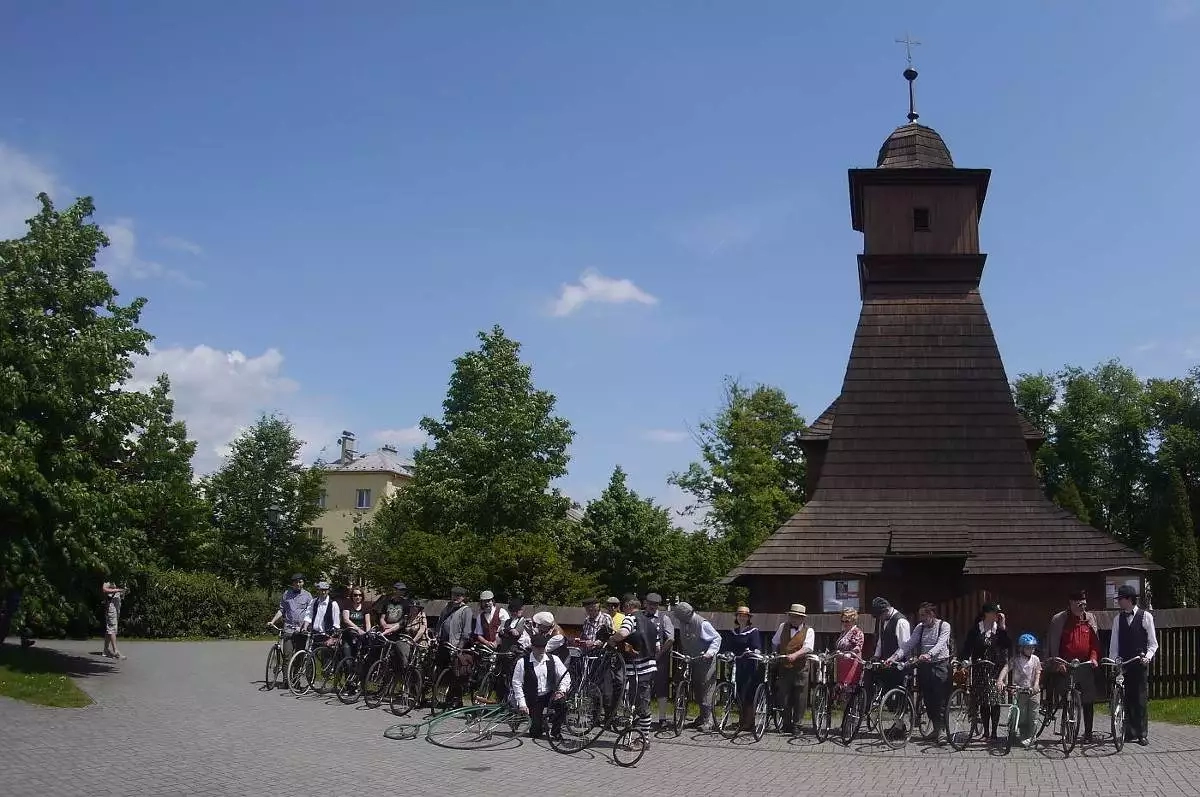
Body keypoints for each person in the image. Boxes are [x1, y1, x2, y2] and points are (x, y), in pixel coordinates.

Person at [887, 602, 952, 743]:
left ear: (932, 614)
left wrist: (929, 654)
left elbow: (941, 643)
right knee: (928, 700)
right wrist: (894, 656)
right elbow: (909, 643)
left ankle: (941, 732)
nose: (921, 618)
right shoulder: (920, 628)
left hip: (940, 665)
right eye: (920, 615)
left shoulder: (944, 626)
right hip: (925, 667)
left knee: (939, 699)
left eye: (924, 615)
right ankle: (935, 730)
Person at [1047, 589, 1101, 743]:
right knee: (1067, 698)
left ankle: (1088, 733)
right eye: (1078, 604)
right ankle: (1068, 732)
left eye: (1084, 604)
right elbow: (1053, 644)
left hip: (1085, 664)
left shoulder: (1090, 618)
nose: (1082, 608)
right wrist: (1058, 663)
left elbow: (1095, 643)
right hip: (1066, 665)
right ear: (1070, 603)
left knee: (1088, 699)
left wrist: (1094, 658)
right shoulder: (1059, 620)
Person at [1109, 584, 1158, 746]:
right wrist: (1114, 661)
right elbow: (1114, 644)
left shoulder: (1146, 617)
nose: (1118, 602)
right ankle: (1128, 731)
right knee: (1125, 697)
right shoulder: (1118, 619)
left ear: (1129, 600)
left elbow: (1153, 644)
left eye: (1120, 599)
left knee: (1140, 698)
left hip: (1139, 662)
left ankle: (1142, 732)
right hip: (1124, 664)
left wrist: (1148, 657)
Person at [958, 602, 1012, 738]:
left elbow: (1007, 645)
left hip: (995, 669)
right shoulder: (976, 629)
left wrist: (1003, 625)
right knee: (983, 702)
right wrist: (964, 660)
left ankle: (994, 732)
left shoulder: (998, 630)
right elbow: (967, 647)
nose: (997, 615)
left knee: (995, 701)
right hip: (980, 669)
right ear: (987, 614)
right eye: (995, 612)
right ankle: (986, 732)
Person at [606, 597, 656, 744]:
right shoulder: (651, 623)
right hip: (649, 666)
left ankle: (643, 739)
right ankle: (638, 735)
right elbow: (657, 647)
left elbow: (623, 633)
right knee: (639, 701)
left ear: (628, 606)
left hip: (637, 668)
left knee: (640, 704)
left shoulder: (630, 618)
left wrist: (612, 639)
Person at [671, 601, 722, 730]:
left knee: (706, 688)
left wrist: (710, 653)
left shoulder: (702, 623)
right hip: (692, 659)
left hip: (706, 660)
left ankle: (709, 720)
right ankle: (701, 717)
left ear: (685, 615)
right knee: (696, 688)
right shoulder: (684, 622)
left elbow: (717, 638)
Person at [511, 633, 572, 739]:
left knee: (562, 704)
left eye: (543, 648)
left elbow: (565, 676)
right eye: (538, 648)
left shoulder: (554, 659)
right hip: (534, 697)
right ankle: (539, 722)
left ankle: (555, 731)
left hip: (549, 694)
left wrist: (561, 691)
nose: (541, 650)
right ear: (532, 647)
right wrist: (522, 704)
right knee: (535, 733)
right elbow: (517, 683)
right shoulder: (522, 662)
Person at [772, 603, 814, 734]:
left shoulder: (809, 631)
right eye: (792, 616)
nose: (794, 619)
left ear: (802, 618)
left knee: (800, 698)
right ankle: (786, 723)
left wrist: (795, 655)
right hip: (784, 666)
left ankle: (798, 725)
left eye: (797, 617)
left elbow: (808, 647)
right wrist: (776, 654)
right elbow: (775, 642)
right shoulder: (782, 627)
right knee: (783, 696)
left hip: (800, 668)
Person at [996, 633, 1042, 748]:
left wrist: (1036, 684)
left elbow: (1037, 672)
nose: (1031, 650)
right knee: (1021, 715)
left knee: (1033, 715)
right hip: (1020, 690)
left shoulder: (1035, 659)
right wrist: (1000, 680)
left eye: (1032, 647)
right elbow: (1006, 668)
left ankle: (1032, 737)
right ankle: (1021, 734)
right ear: (1021, 648)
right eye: (1028, 647)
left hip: (1033, 691)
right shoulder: (1016, 659)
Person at [638, 593, 674, 729]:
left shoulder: (664, 618)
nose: (653, 607)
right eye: (650, 604)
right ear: (645, 603)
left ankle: (662, 718)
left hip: (660, 659)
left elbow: (670, 639)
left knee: (661, 687)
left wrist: (660, 653)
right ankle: (642, 716)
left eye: (656, 604)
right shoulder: (639, 617)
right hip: (642, 658)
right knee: (641, 687)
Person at [435, 586, 474, 708]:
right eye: (454, 595)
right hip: (443, 643)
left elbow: (467, 631)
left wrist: (460, 646)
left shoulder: (466, 610)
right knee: (441, 671)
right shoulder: (447, 607)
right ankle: (442, 698)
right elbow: (440, 622)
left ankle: (456, 700)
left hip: (455, 645)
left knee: (455, 674)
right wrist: (437, 635)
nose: (455, 597)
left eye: (458, 595)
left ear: (463, 597)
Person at [728, 607, 762, 730]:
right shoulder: (733, 631)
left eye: (744, 616)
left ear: (748, 618)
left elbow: (757, 646)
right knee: (737, 692)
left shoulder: (753, 631)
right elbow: (729, 646)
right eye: (739, 615)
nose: (742, 618)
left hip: (749, 666)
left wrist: (751, 652)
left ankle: (748, 722)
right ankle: (741, 721)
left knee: (747, 693)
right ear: (737, 617)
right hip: (736, 664)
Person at [268, 573, 312, 667]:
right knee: (287, 656)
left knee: (299, 656)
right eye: (296, 582)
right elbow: (281, 610)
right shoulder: (286, 594)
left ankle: (295, 680)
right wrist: (272, 621)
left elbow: (310, 613)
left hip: (301, 630)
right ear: (292, 583)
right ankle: (286, 681)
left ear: (303, 583)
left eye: (300, 582)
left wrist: (305, 627)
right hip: (288, 628)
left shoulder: (308, 596)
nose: (298, 584)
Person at [870, 597, 911, 693]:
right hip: (887, 663)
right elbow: (881, 640)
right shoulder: (883, 620)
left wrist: (894, 658)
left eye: (880, 615)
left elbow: (904, 646)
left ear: (886, 610)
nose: (879, 618)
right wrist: (876, 655)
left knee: (896, 695)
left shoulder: (901, 622)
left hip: (898, 664)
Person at [835, 607, 865, 692]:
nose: (844, 623)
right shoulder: (843, 632)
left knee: (848, 689)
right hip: (842, 662)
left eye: (847, 621)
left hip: (852, 662)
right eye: (843, 621)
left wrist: (850, 653)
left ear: (853, 620)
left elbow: (858, 647)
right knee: (840, 689)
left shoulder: (857, 632)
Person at [340, 587, 372, 663]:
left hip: (361, 637)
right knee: (348, 661)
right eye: (355, 595)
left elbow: (368, 622)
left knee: (361, 660)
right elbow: (346, 620)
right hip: (348, 636)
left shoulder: (365, 607)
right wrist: (358, 629)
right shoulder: (347, 605)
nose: (358, 597)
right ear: (352, 596)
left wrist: (367, 633)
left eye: (360, 595)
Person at [101, 581, 128, 659]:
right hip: (111, 606)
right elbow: (104, 589)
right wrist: (117, 590)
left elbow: (120, 593)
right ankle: (116, 651)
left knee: (109, 629)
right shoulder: (110, 579)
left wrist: (123, 591)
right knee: (112, 628)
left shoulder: (120, 579)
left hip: (116, 606)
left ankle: (105, 651)